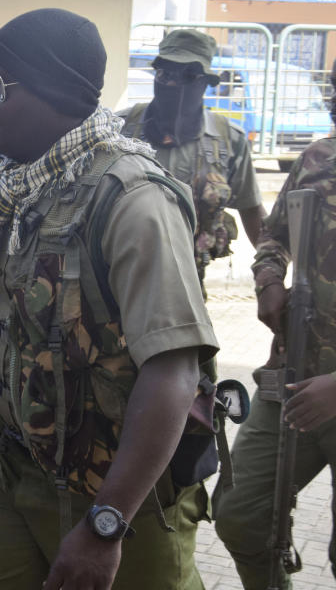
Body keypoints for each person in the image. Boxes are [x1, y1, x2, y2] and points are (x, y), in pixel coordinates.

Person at [0, 9, 219, 590]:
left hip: (116, 486)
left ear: (52, 89)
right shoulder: (8, 183)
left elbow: (173, 371)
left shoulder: (133, 198)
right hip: (7, 460)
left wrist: (106, 524)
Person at [213, 58, 336, 590]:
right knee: (242, 513)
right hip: (292, 371)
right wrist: (268, 281)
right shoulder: (319, 157)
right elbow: (274, 236)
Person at [119, 29, 265, 300]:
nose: (173, 84)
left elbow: (252, 211)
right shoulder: (120, 129)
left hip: (188, 287)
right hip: (119, 279)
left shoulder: (227, 140)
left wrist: (271, 275)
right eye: (165, 74)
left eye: (187, 76)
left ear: (205, 83)